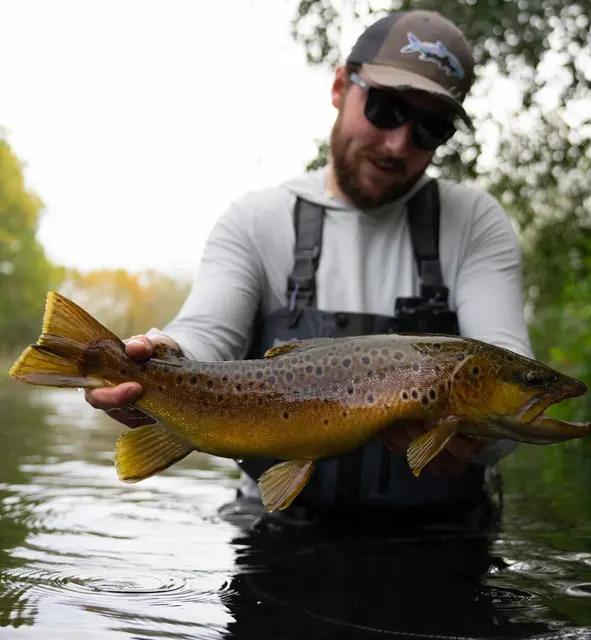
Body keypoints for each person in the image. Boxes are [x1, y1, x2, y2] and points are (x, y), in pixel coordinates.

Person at [85, 9, 533, 527]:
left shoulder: (475, 223)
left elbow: (510, 378)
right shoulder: (258, 220)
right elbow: (206, 333)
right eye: (386, 109)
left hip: (441, 535)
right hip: (276, 528)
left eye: (430, 127)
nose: (398, 144)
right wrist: (161, 360)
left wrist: (480, 442)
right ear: (341, 85)